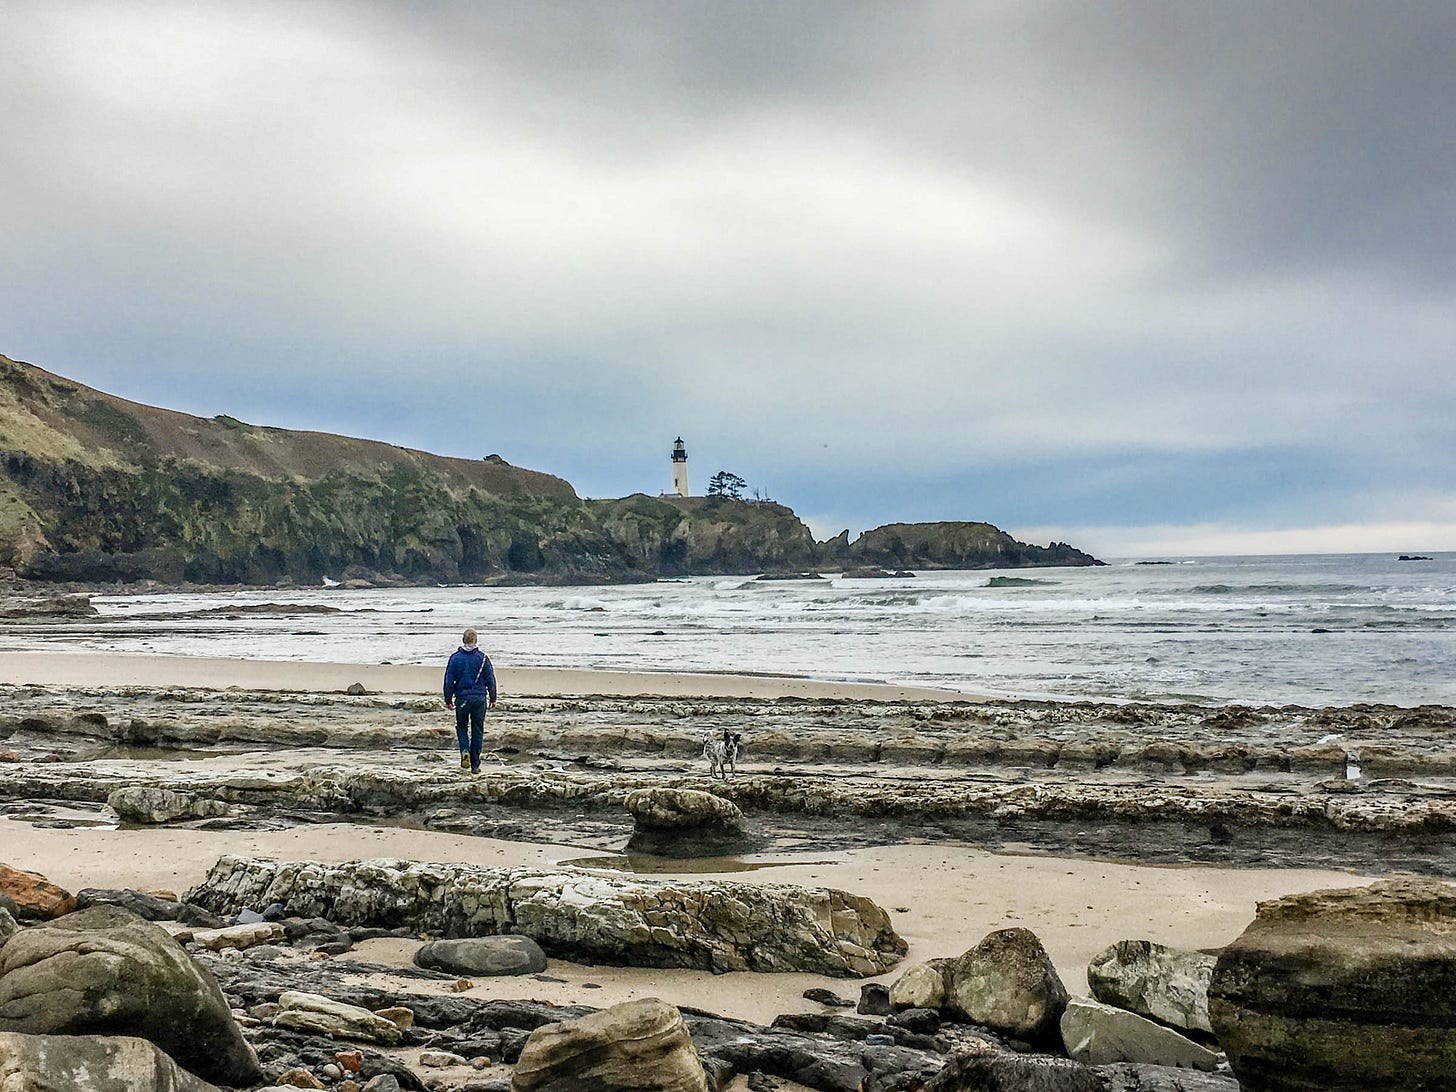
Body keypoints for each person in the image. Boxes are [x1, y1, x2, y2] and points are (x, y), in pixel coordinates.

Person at [443, 628, 497, 773]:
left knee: (461, 727)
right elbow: (490, 679)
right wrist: (493, 697)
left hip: (462, 698)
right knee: (477, 730)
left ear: (463, 640)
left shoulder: (455, 658)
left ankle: (464, 751)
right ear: (475, 641)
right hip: (479, 698)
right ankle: (475, 764)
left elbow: (449, 681)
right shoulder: (483, 658)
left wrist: (448, 699)